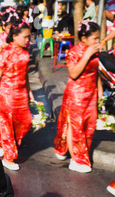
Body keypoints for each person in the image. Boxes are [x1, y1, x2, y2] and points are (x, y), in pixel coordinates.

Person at [53, 21, 102, 173]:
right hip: (76, 94)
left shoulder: (94, 50)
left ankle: (70, 151)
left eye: (98, 38)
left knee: (89, 126)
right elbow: (73, 73)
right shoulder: (73, 52)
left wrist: (99, 90)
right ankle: (76, 159)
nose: (97, 41)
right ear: (84, 38)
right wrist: (87, 55)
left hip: (91, 93)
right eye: (94, 38)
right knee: (76, 126)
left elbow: (96, 71)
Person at [0, 20, 34, 171]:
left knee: (24, 123)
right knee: (7, 126)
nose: (28, 40)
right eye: (25, 37)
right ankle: (9, 157)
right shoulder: (5, 53)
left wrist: (30, 92)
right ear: (14, 36)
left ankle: (1, 142)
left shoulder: (26, 54)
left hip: (21, 94)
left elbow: (25, 75)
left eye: (28, 37)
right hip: (6, 94)